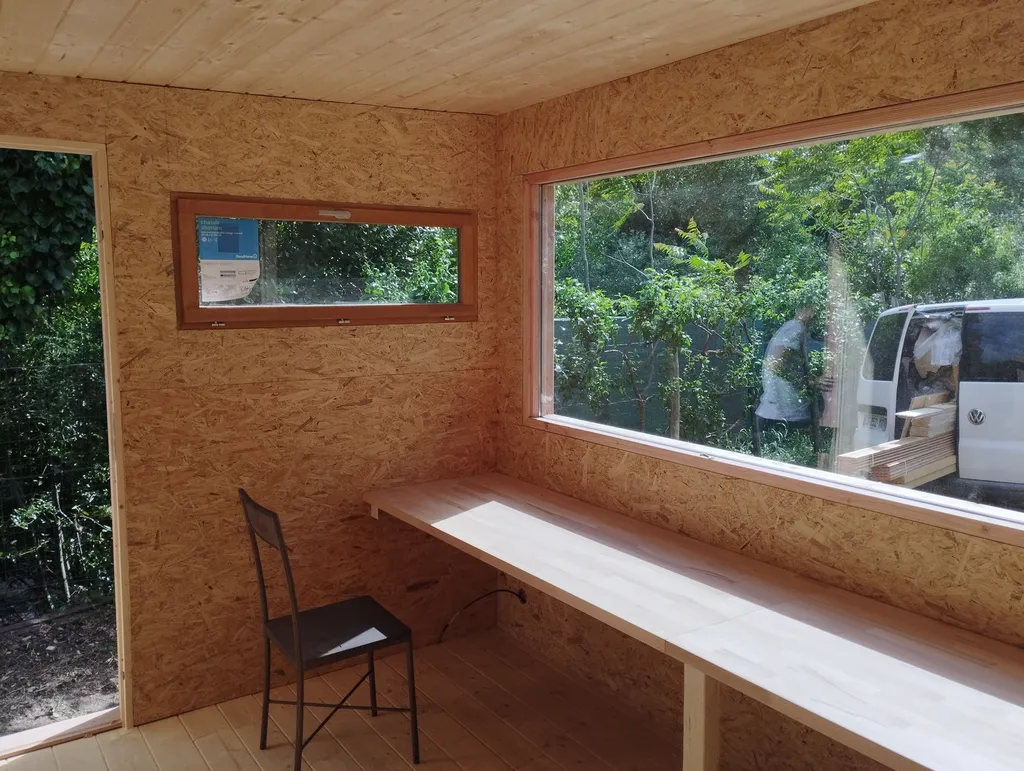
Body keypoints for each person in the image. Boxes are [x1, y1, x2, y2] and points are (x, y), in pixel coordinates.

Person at [756, 306, 817, 427]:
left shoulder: (791, 326)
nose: (814, 315)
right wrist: (809, 381)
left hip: (777, 408)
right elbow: (775, 364)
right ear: (801, 310)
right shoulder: (796, 327)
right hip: (784, 408)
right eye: (812, 310)